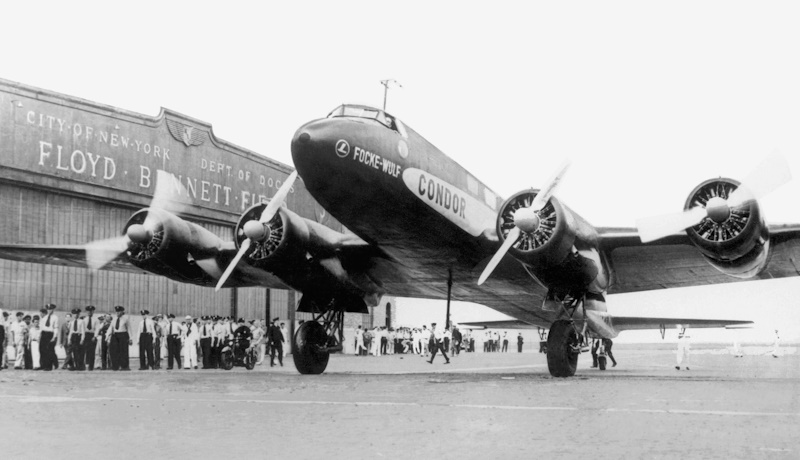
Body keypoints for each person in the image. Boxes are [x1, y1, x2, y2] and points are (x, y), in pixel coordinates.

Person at [110, 306, 132, 371]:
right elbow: (111, 328)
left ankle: (124, 366)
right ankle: (115, 366)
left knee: (123, 351)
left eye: (119, 311)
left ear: (122, 312)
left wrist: (130, 338)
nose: (117, 313)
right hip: (115, 335)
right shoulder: (114, 319)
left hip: (123, 335)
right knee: (114, 351)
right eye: (116, 311)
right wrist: (107, 337)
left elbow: (129, 329)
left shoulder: (125, 319)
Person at [40, 303, 59, 371]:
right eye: (48, 309)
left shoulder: (55, 317)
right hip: (44, 334)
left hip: (50, 334)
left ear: (53, 309)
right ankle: (44, 365)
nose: (49, 310)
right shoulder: (44, 317)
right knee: (42, 350)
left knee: (49, 350)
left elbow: (56, 328)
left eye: (50, 309)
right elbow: (42, 327)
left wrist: (54, 337)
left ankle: (49, 366)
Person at [83, 306, 97, 371]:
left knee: (92, 352)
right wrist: (82, 338)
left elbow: (97, 329)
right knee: (85, 351)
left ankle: (91, 367)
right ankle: (86, 365)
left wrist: (95, 336)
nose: (89, 312)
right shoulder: (84, 320)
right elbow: (82, 330)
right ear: (86, 312)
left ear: (93, 312)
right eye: (88, 311)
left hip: (92, 336)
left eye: (91, 311)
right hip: (86, 335)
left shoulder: (96, 320)